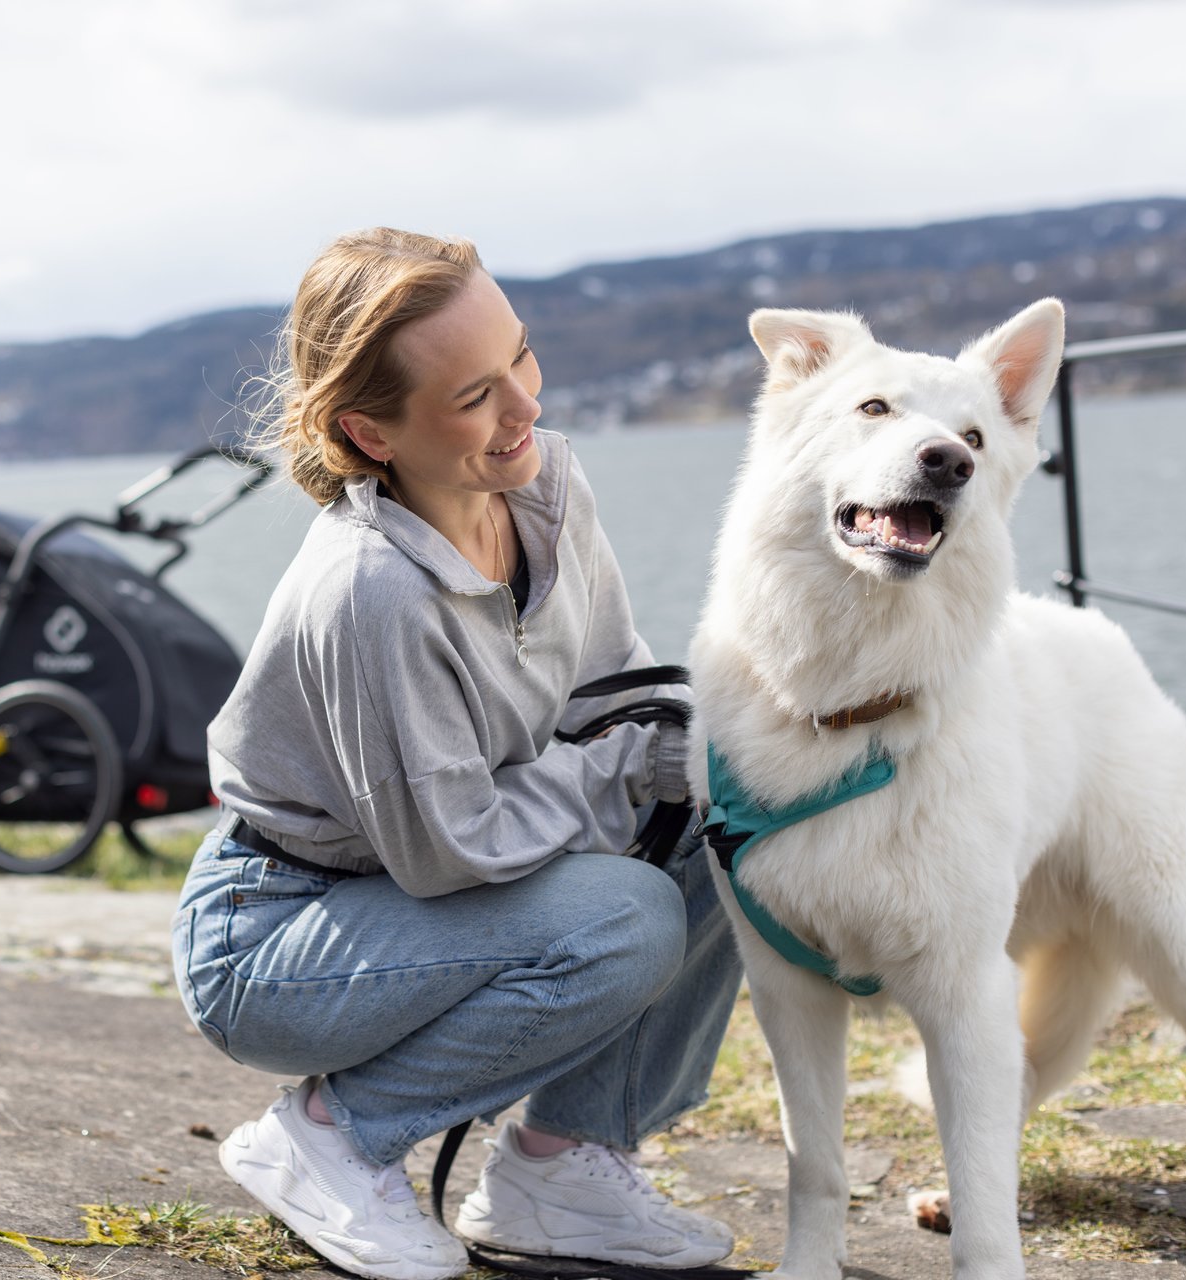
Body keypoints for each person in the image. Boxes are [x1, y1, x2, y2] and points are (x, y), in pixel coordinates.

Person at [171, 228, 742, 1280]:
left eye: (520, 355)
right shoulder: (371, 588)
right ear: (369, 433)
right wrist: (634, 765)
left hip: (420, 892)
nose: (524, 406)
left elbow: (614, 688)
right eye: (475, 394)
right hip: (277, 928)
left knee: (729, 813)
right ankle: (334, 1135)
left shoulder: (545, 489)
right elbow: (451, 847)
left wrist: (710, 752)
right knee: (628, 914)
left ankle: (564, 1164)